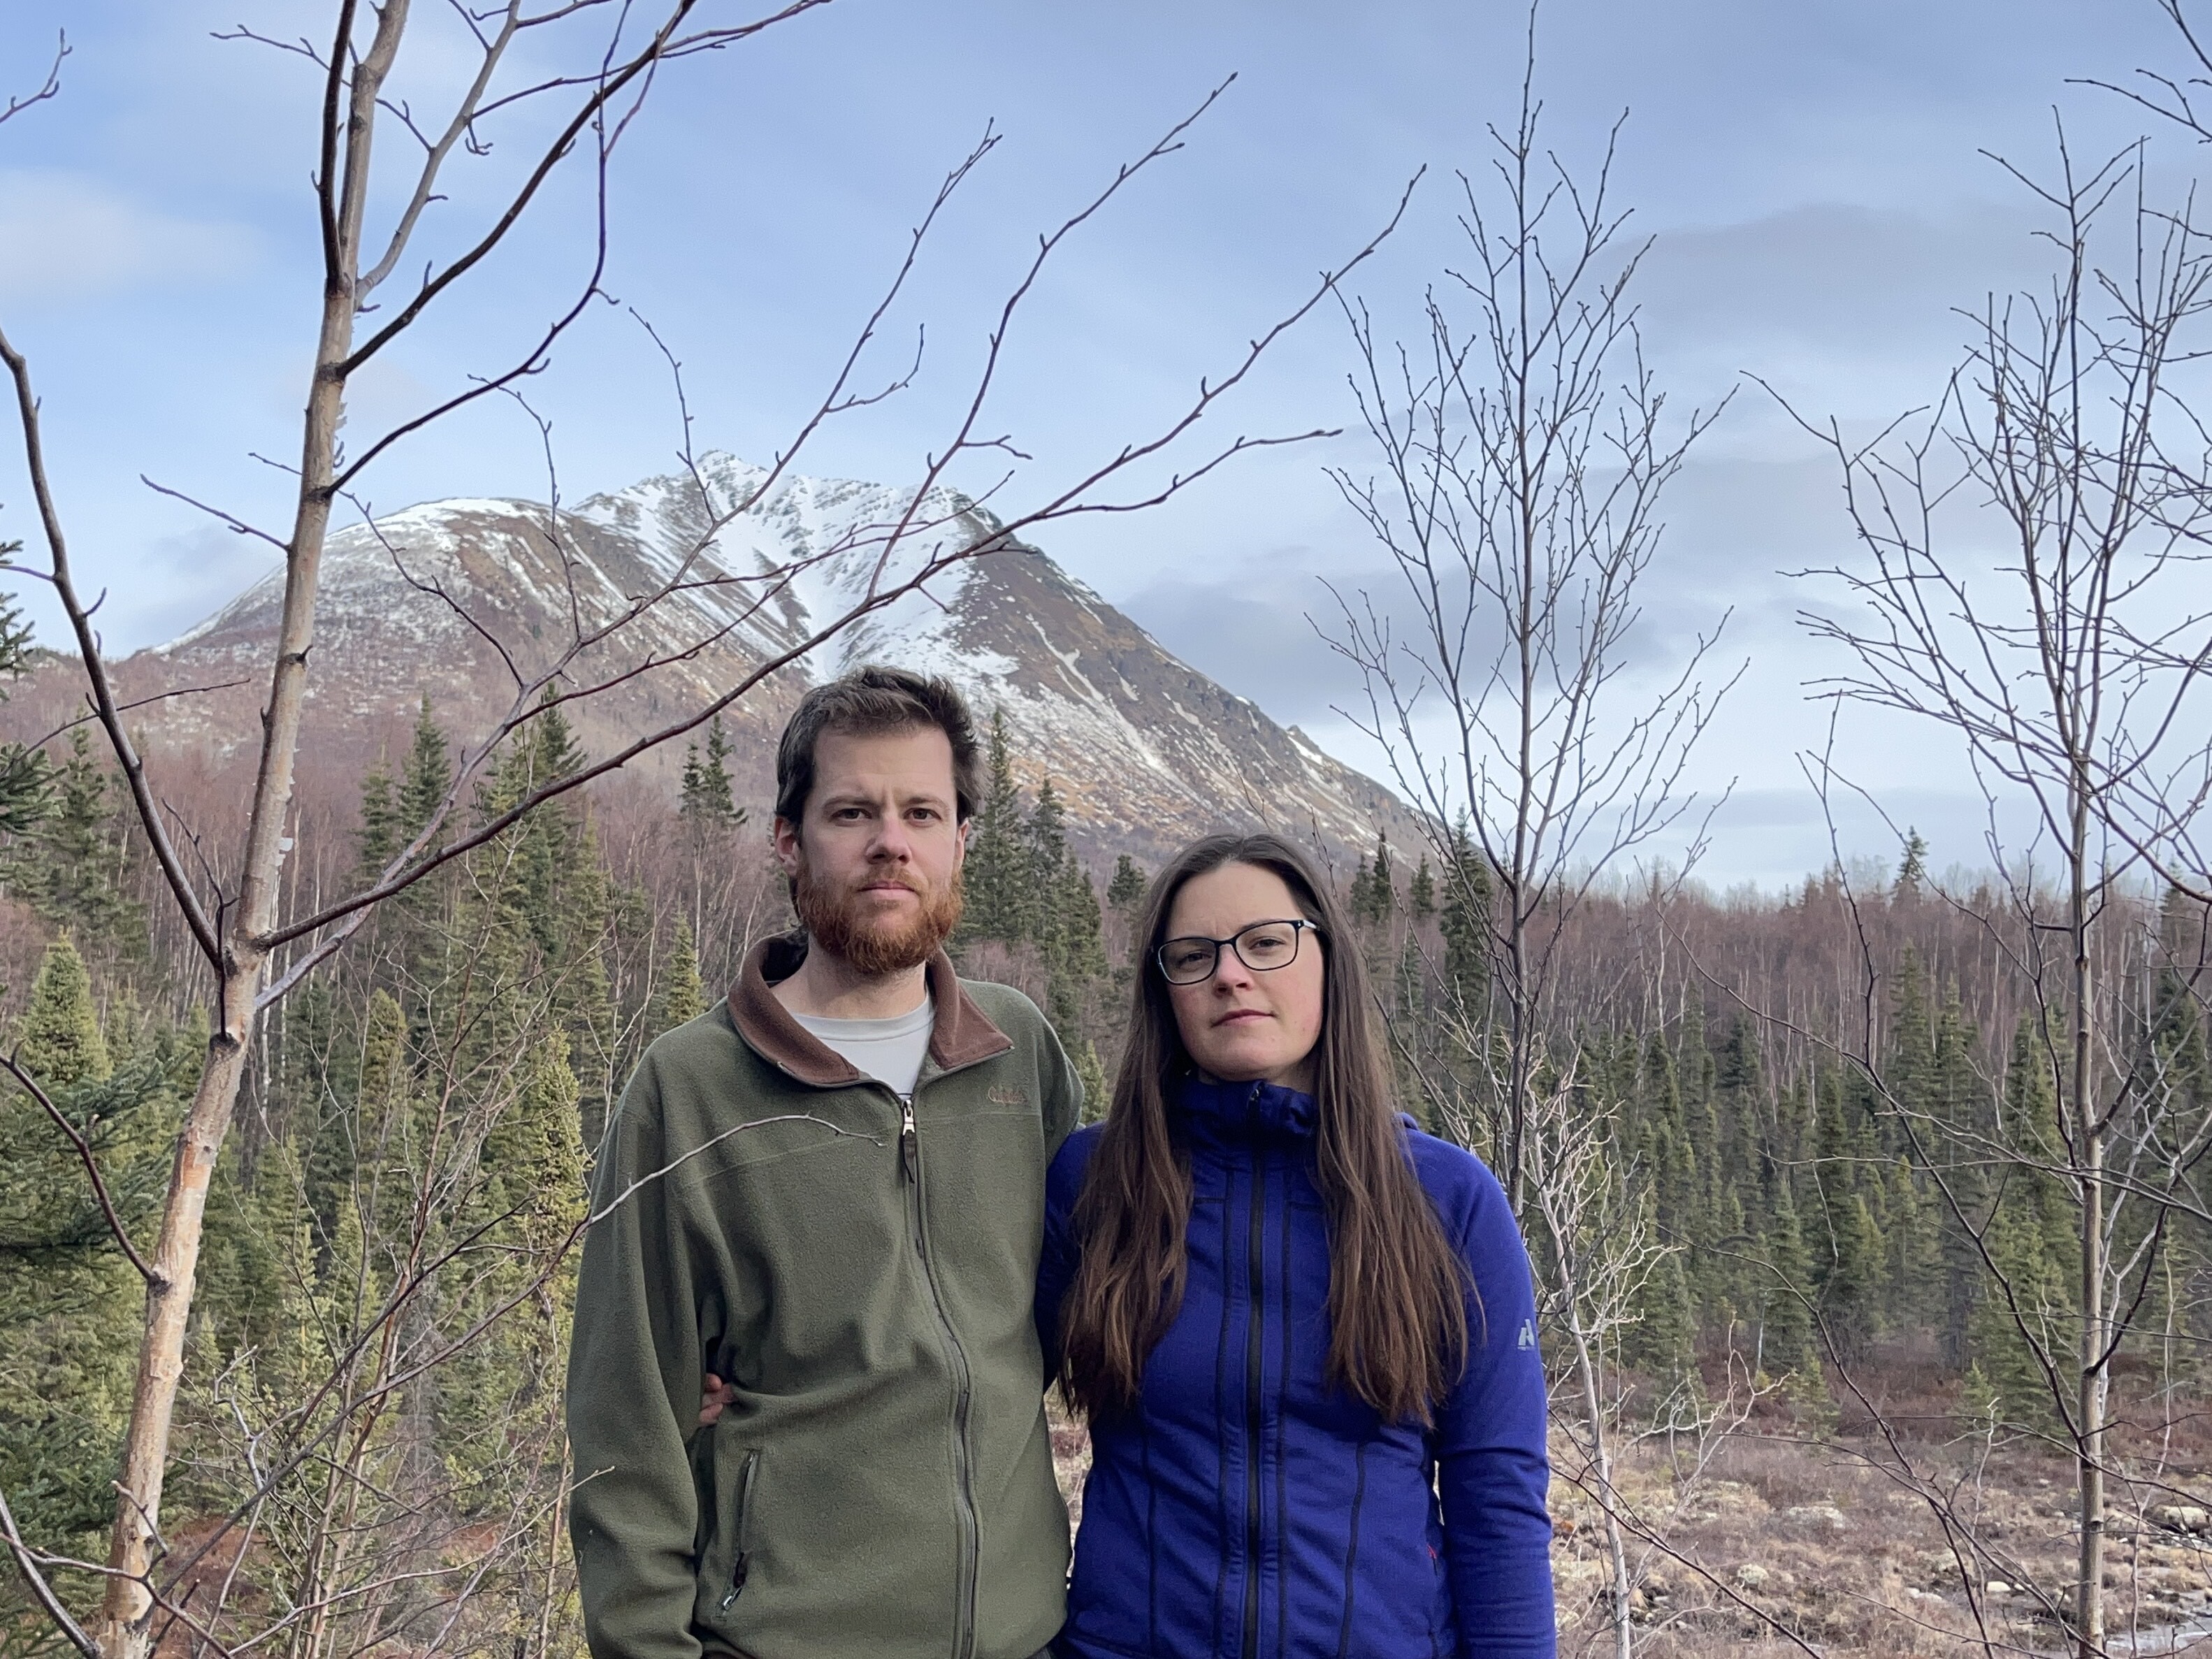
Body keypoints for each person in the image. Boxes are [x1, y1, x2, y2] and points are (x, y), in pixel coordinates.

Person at [568, 666, 1083, 1659]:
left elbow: (1093, 1312)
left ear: (960, 841)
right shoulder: (691, 1088)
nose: (891, 839)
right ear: (790, 840)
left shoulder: (1018, 1053)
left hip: (1030, 1637)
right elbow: (626, 1425)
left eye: (922, 811)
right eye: (853, 809)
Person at [1038, 832, 1555, 1658]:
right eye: (1193, 955)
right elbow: (969, 1388)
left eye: (1267, 943)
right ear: (1163, 991)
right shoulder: (1094, 1184)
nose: (1231, 974)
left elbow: (1497, 1494)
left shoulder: (1447, 1201)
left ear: (1326, 959)